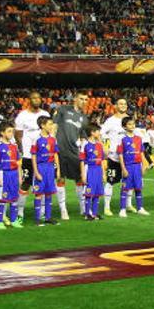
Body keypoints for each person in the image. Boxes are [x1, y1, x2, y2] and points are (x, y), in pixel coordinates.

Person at [14, 91, 50, 220]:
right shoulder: (22, 116)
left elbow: (49, 133)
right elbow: (18, 135)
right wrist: (22, 150)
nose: (36, 100)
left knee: (44, 183)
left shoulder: (45, 114)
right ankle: (20, 212)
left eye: (38, 98)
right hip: (28, 156)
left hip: (44, 157)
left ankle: (42, 213)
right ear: (29, 100)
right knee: (25, 183)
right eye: (34, 98)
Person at [54, 91, 89, 220]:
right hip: (61, 151)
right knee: (60, 179)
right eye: (81, 98)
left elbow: (84, 137)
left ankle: (83, 208)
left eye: (86, 99)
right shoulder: (63, 109)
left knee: (79, 180)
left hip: (75, 153)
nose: (84, 101)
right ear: (75, 99)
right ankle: (63, 210)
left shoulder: (84, 118)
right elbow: (54, 126)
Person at [100, 96, 128, 217]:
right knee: (110, 181)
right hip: (114, 157)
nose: (123, 106)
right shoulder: (110, 121)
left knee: (128, 182)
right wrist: (104, 147)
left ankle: (128, 204)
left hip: (129, 157)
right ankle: (107, 207)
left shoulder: (129, 119)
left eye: (125, 104)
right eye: (120, 104)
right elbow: (99, 134)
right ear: (115, 106)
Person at [0, 121, 24, 229]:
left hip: (14, 174)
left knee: (14, 198)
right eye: (9, 131)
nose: (11, 134)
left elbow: (18, 162)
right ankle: (0, 222)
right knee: (2, 199)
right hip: (4, 174)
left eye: (12, 131)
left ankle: (14, 220)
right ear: (2, 133)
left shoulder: (14, 146)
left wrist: (20, 176)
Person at [118, 116, 150, 217]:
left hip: (137, 166)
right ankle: (122, 209)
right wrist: (123, 168)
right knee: (125, 188)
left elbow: (141, 153)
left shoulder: (138, 139)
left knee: (138, 188)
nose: (132, 126)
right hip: (128, 166)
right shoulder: (122, 139)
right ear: (124, 126)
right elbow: (120, 154)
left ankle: (140, 208)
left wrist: (144, 165)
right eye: (129, 124)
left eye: (133, 124)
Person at [31, 116, 61, 225]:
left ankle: (48, 217)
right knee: (38, 193)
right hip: (40, 167)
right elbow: (33, 156)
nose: (51, 126)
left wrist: (58, 170)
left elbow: (56, 154)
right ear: (42, 125)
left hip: (50, 168)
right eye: (49, 124)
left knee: (49, 193)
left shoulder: (53, 139)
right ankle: (37, 219)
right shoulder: (36, 139)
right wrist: (36, 172)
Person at [80, 124, 107, 221]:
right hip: (89, 169)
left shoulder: (99, 145)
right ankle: (87, 214)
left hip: (98, 170)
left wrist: (104, 173)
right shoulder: (85, 144)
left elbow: (102, 159)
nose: (99, 133)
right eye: (98, 131)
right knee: (89, 193)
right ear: (92, 132)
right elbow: (82, 161)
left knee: (97, 193)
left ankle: (94, 213)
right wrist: (83, 175)